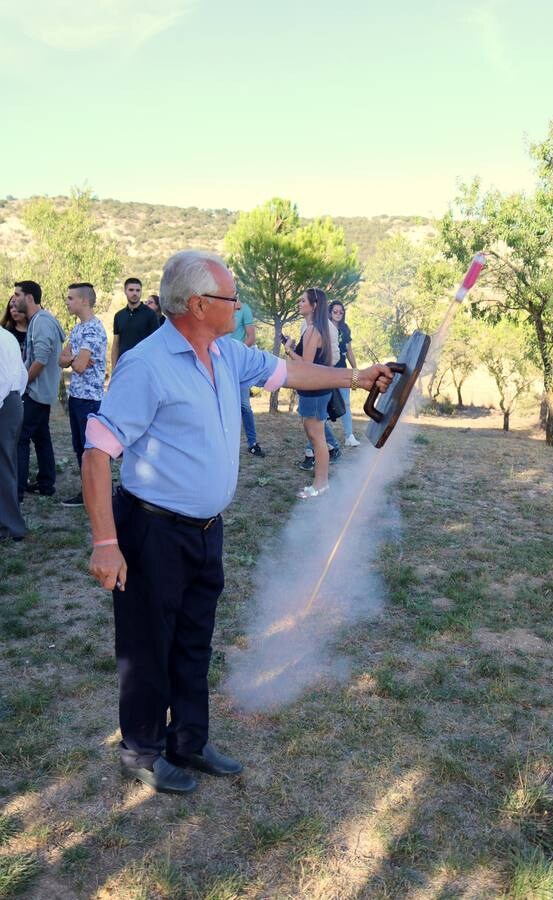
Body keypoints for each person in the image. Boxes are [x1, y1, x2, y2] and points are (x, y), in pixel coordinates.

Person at [82, 250, 392, 795]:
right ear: (198, 305)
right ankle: (143, 750)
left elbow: (290, 372)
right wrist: (107, 541)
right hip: (151, 530)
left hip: (206, 529)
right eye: (231, 298)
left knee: (195, 638)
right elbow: (97, 452)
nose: (240, 305)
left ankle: (190, 741)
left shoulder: (226, 353)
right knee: (148, 644)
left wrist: (356, 375)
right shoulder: (146, 364)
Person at [13, 280, 66, 501]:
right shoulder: (39, 320)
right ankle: (46, 483)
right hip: (41, 391)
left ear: (29, 298)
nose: (14, 299)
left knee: (21, 438)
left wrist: (23, 383)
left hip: (36, 391)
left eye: (17, 295)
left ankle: (16, 491)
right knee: (41, 436)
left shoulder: (42, 322)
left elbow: (41, 359)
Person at [284, 287, 338, 499]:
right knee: (317, 437)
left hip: (314, 392)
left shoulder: (312, 331)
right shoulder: (316, 329)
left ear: (314, 306)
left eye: (303, 301)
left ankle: (320, 484)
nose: (299, 303)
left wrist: (289, 351)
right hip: (317, 391)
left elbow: (306, 366)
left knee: (317, 439)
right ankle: (321, 483)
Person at [59, 283, 108, 507]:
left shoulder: (93, 329)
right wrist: (76, 358)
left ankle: (95, 493)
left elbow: (77, 366)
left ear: (84, 301)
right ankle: (87, 492)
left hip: (90, 399)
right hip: (76, 395)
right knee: (79, 446)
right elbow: (63, 360)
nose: (67, 302)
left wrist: (75, 359)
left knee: (90, 449)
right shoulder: (78, 329)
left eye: (70, 298)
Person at [0, 327, 28, 541]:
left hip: (5, 404)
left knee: (4, 466)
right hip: (11, 401)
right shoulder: (7, 336)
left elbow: (5, 379)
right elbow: (22, 373)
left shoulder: (2, 338)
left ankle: (11, 527)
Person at [230, 300, 265, 457]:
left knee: (244, 405)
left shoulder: (244, 309)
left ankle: (252, 443)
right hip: (217, 363)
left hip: (238, 364)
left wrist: (236, 355)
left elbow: (251, 337)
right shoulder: (216, 308)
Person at [329, 300, 360, 447]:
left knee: (346, 402)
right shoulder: (325, 328)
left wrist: (355, 370)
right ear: (330, 312)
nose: (338, 314)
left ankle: (349, 436)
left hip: (343, 370)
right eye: (335, 311)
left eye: (341, 312)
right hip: (326, 370)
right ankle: (324, 439)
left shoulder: (345, 329)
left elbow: (349, 351)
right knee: (324, 404)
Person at [111, 278, 158, 369]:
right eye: (131, 290)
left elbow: (156, 343)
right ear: (125, 291)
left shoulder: (150, 314)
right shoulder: (119, 316)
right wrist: (114, 369)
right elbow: (116, 345)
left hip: (143, 366)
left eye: (138, 290)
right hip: (123, 365)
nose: (135, 293)